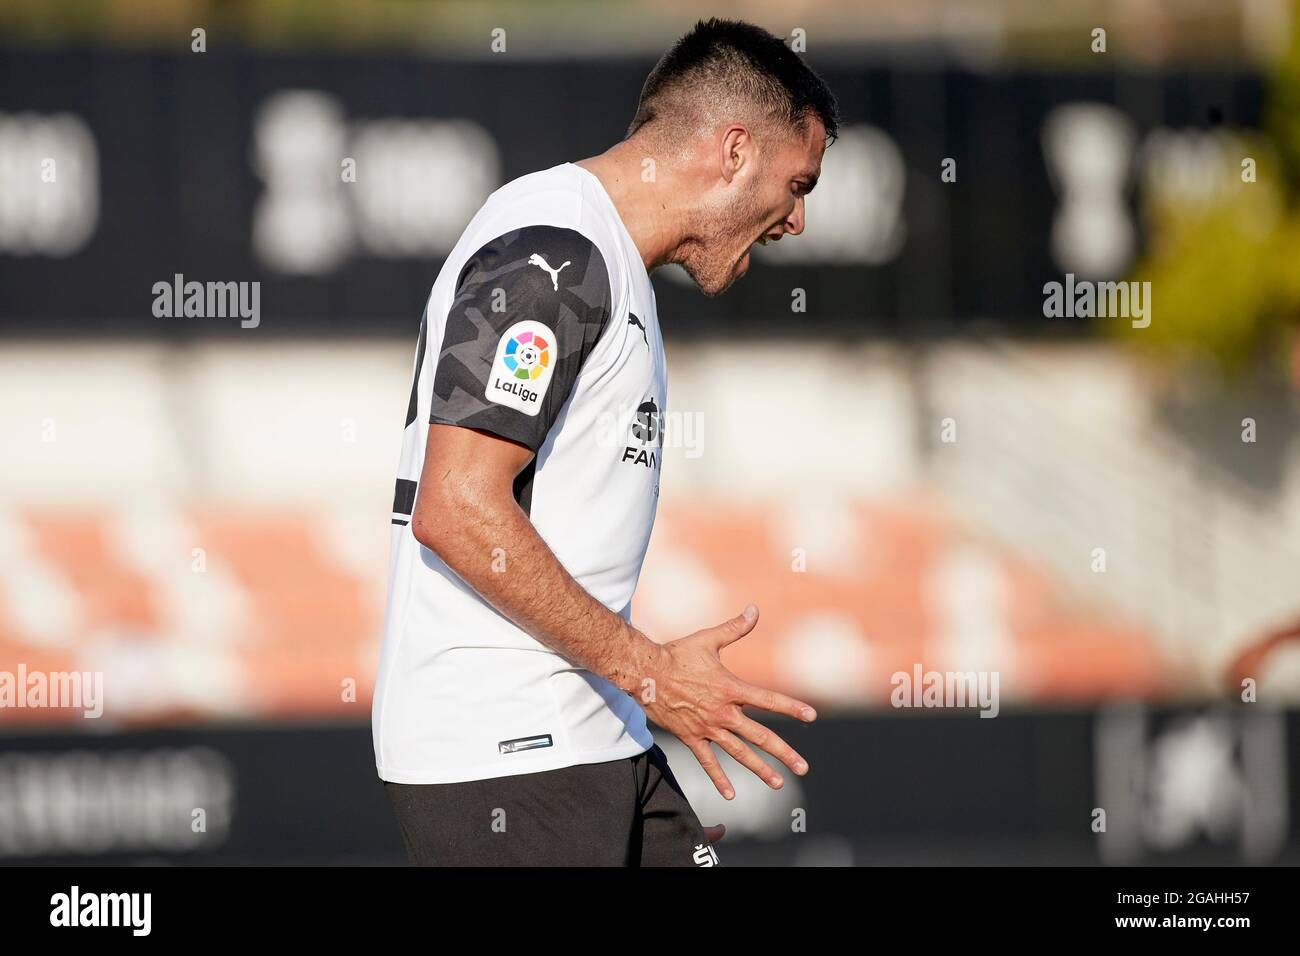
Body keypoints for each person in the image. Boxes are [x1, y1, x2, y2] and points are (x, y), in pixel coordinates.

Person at [372, 16, 839, 866]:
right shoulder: (557, 252)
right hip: (508, 761)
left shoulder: (610, 260)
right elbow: (456, 506)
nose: (796, 219)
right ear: (734, 151)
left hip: (592, 739)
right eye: (796, 182)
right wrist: (657, 676)